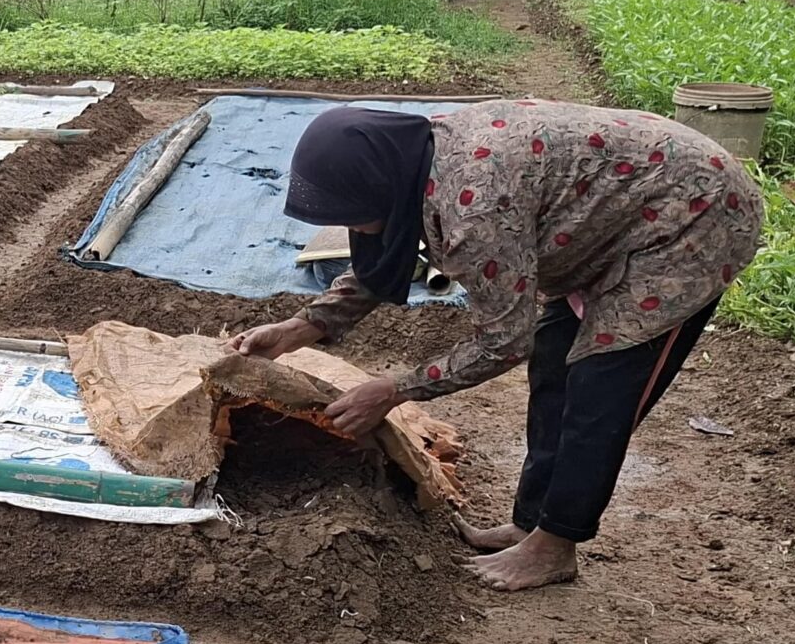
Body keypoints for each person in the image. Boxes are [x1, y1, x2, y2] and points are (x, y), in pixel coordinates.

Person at [225, 100, 762, 591]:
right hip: (623, 209)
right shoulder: (410, 162)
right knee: (554, 365)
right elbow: (382, 255)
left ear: (381, 185)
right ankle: (529, 525)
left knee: (601, 389)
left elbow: (505, 340)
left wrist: (394, 390)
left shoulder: (475, 210)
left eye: (351, 212)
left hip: (691, 216)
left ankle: (555, 546)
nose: (350, 227)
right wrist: (300, 328)